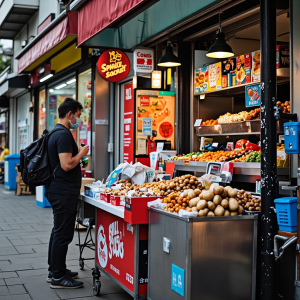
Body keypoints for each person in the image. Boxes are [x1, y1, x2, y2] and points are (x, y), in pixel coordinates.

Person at [46, 98, 89, 289]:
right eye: (78, 116)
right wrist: (82, 152)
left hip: (59, 188)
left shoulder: (55, 132)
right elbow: (66, 164)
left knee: (58, 232)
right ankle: (58, 277)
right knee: (63, 235)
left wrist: (77, 159)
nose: (78, 120)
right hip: (63, 192)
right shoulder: (63, 135)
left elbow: (64, 164)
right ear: (70, 114)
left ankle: (55, 270)